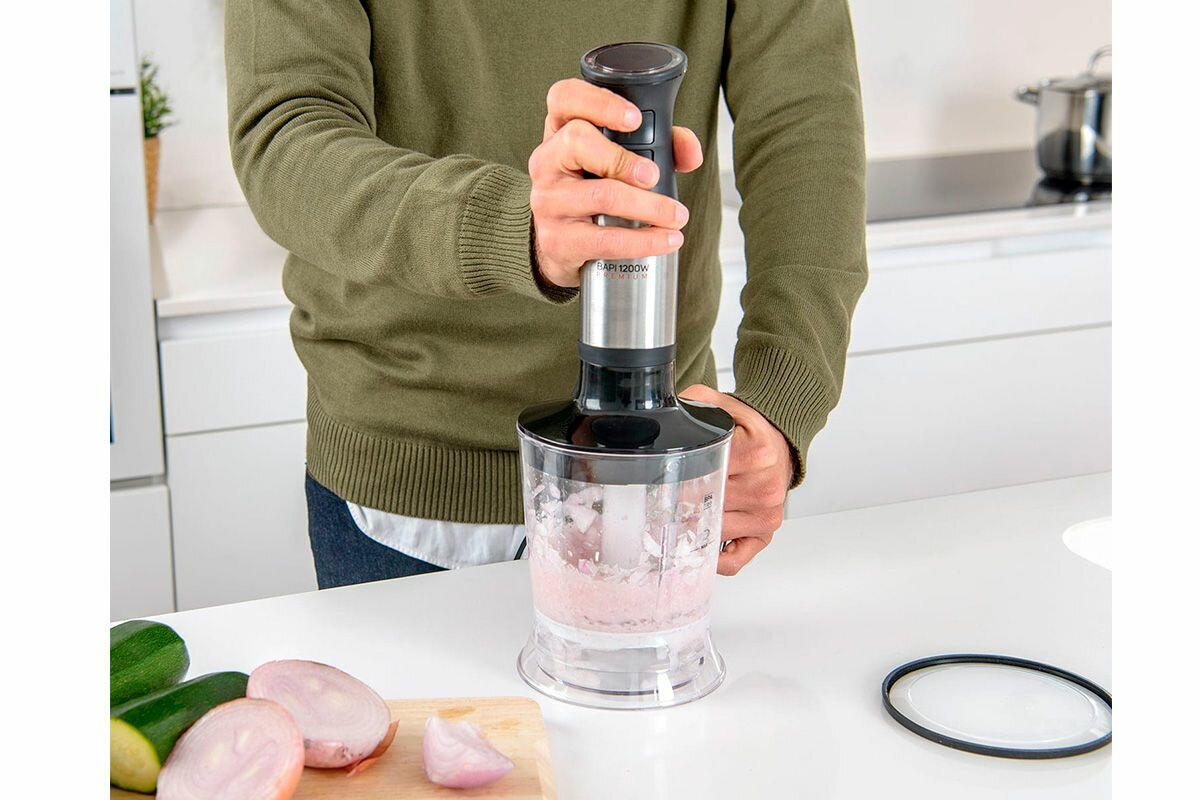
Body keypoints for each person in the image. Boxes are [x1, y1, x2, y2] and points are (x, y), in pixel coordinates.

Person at [224, 0, 867, 588]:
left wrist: (778, 407)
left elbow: (805, 126)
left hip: (665, 471)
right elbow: (284, 135)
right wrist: (514, 229)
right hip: (407, 478)